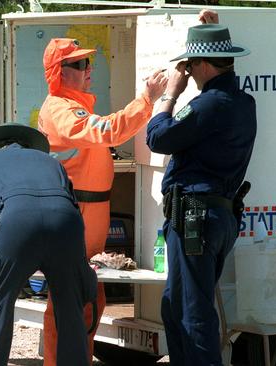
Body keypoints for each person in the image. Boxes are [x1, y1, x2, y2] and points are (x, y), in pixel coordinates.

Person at [37, 38, 167, 364]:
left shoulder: (71, 108)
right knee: (70, 303)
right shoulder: (60, 111)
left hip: (84, 221)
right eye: (80, 64)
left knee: (89, 301)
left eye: (87, 63)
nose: (88, 69)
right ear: (59, 72)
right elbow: (107, 131)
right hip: (73, 221)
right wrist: (147, 99)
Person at [145, 24, 256, 366]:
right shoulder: (242, 102)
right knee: (176, 306)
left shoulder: (209, 104)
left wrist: (169, 95)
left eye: (190, 66)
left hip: (195, 214)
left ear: (206, 64)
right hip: (216, 215)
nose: (188, 73)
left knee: (192, 312)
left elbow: (159, 138)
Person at [0, 123, 98, 366]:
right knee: (71, 314)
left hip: (18, 221)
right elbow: (71, 208)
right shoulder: (51, 162)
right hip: (66, 223)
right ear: (28, 146)